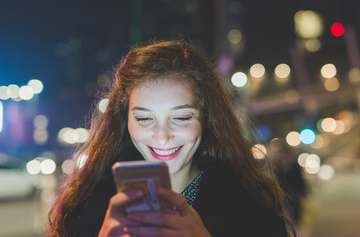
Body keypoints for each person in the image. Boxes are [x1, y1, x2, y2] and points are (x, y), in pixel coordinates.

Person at [47, 40, 293, 237]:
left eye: (182, 117)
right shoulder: (86, 205)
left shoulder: (251, 204)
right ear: (125, 120)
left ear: (206, 118)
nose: (162, 137)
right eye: (144, 119)